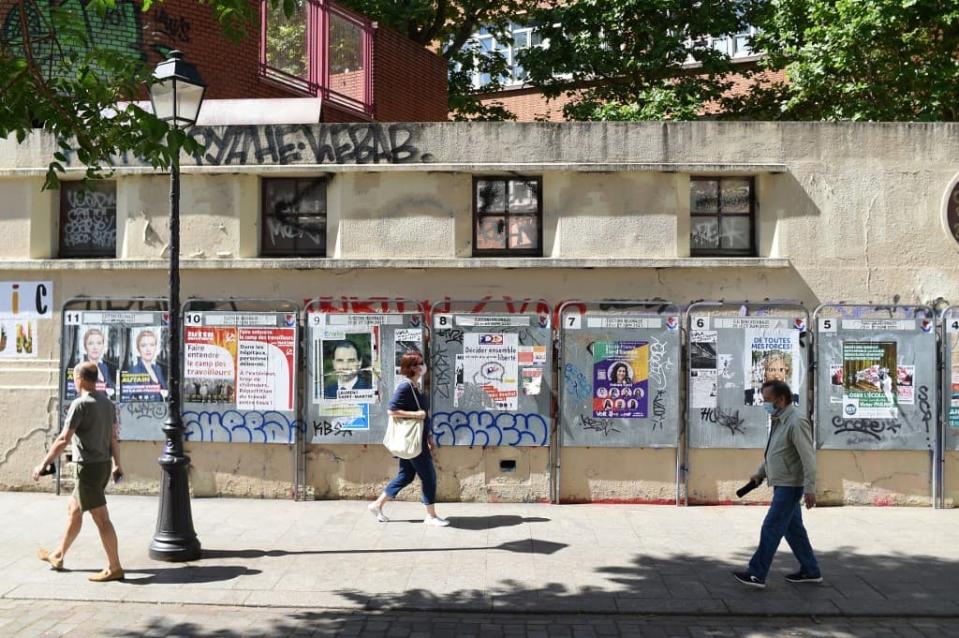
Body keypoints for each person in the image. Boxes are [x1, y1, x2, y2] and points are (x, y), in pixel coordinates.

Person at [34, 361, 125, 582]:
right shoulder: (107, 403)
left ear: (82, 379)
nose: (74, 381)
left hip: (88, 469)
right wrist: (117, 464)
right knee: (74, 510)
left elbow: (63, 438)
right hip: (102, 465)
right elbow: (113, 437)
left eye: (75, 377)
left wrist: (43, 464)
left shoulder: (80, 405)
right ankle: (58, 555)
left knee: (102, 519)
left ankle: (115, 567)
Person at [734, 380, 820, 589]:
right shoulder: (780, 418)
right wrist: (760, 474)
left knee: (771, 527)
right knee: (793, 530)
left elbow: (808, 458)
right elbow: (777, 453)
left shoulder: (796, 422)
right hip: (782, 483)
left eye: (768, 400)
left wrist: (810, 488)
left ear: (781, 400)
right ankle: (811, 570)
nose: (765, 404)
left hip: (791, 485)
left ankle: (756, 573)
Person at [368, 352, 448, 527]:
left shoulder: (415, 386)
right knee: (429, 477)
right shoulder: (405, 387)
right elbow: (392, 410)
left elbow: (423, 416)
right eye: (420, 363)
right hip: (413, 442)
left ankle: (377, 505)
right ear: (412, 367)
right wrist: (416, 415)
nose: (424, 365)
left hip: (417, 439)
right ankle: (431, 516)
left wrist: (428, 436)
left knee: (406, 475)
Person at [124, 330, 167, 400]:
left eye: (152, 345)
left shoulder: (157, 369)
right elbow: (126, 397)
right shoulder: (134, 371)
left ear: (155, 347)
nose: (148, 349)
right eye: (144, 345)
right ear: (138, 349)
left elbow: (165, 391)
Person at [81, 328, 115, 397]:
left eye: (99, 343)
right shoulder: (82, 369)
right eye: (90, 343)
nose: (95, 347)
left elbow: (111, 388)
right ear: (85, 347)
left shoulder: (104, 368)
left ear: (103, 346)